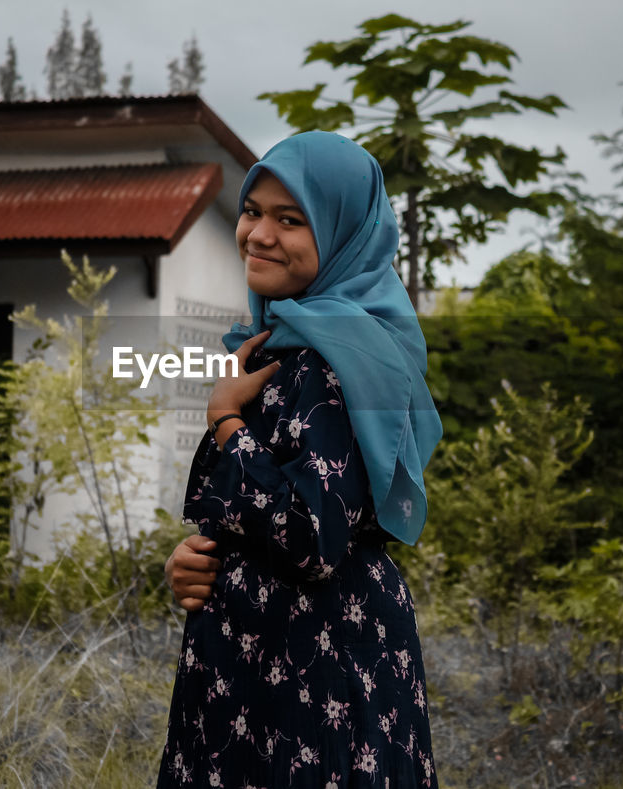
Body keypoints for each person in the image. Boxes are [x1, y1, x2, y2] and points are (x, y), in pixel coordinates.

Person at [156, 131, 443, 788]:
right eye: (253, 210)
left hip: (318, 668)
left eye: (290, 220)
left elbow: (312, 536)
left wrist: (227, 421)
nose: (257, 234)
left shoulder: (343, 358)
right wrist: (201, 559)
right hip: (262, 665)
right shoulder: (279, 342)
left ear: (343, 234)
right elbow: (261, 506)